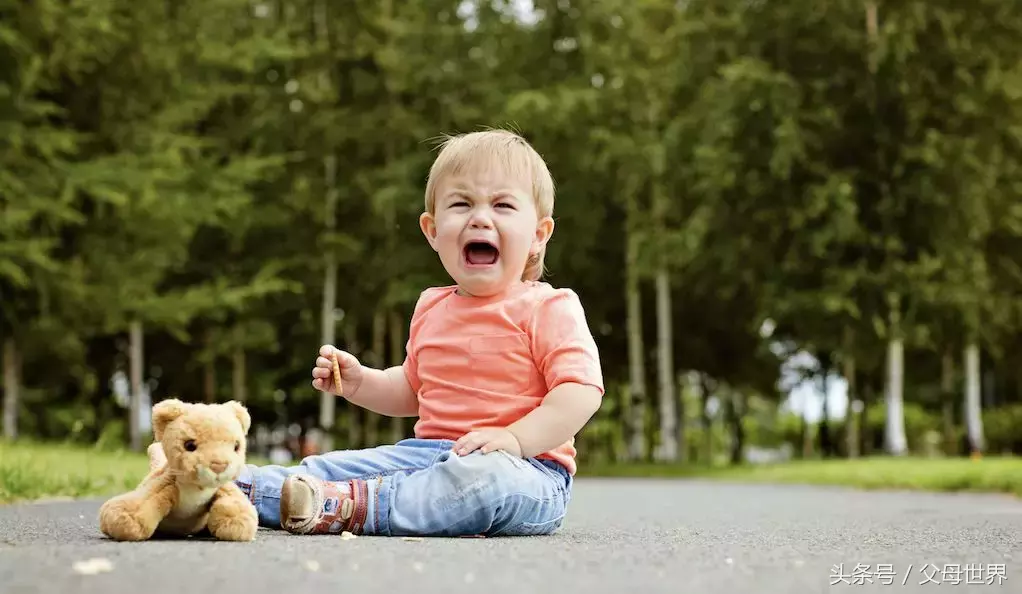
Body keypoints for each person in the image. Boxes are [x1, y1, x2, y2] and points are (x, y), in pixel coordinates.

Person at [150, 129, 605, 537]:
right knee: (328, 466)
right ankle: (206, 484)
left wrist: (516, 440)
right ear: (432, 230)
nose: (481, 218)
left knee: (481, 483)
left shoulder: (549, 306)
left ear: (539, 233)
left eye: (502, 205)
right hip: (425, 454)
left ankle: (349, 507)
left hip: (526, 471)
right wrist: (362, 381)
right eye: (461, 204)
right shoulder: (432, 306)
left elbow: (580, 392)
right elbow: (411, 389)